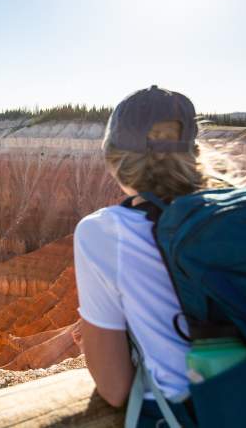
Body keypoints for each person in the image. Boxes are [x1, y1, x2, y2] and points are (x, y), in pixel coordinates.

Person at [73, 85, 223, 427]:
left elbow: (115, 388)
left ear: (115, 159)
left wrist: (95, 343)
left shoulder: (103, 231)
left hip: (189, 414)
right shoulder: (238, 212)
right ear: (195, 153)